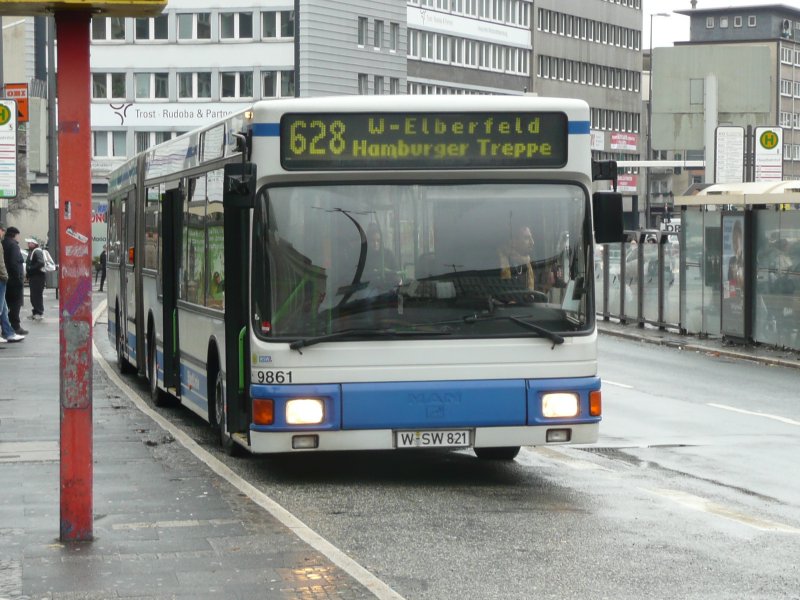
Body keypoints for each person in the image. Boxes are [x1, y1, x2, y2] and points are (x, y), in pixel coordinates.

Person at [0, 224, 25, 343]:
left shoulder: (3, 244)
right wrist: (17, 278)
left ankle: (8, 332)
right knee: (9, 305)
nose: (3, 233)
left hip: (6, 278)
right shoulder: (13, 246)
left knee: (4, 308)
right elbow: (12, 263)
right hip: (8, 279)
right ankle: (13, 328)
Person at [499, 224, 536, 291]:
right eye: (526, 238)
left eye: (531, 237)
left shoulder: (527, 264)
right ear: (513, 241)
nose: (532, 242)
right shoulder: (498, 261)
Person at [25, 238, 46, 321]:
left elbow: (41, 262)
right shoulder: (34, 251)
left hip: (37, 277)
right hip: (35, 276)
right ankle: (36, 312)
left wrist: (30, 269)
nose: (28, 244)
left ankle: (39, 312)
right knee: (34, 296)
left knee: (36, 295)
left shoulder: (37, 251)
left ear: (34, 244)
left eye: (30, 243)